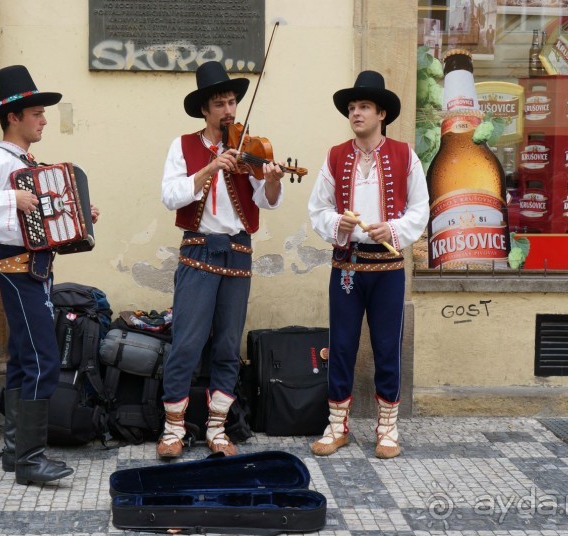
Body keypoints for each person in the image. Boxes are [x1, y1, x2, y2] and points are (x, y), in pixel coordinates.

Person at [0, 65, 99, 485]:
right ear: (13, 116)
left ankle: (17, 453)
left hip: (34, 269)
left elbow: (40, 218)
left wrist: (78, 217)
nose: (44, 120)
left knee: (21, 360)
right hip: (18, 269)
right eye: (36, 113)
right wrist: (9, 198)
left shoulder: (25, 162)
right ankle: (32, 459)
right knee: (42, 359)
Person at [158, 61, 285, 458]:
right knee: (187, 343)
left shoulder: (251, 147)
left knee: (228, 346)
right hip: (198, 249)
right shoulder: (183, 146)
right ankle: (172, 430)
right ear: (205, 110)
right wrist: (211, 167)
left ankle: (217, 428)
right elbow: (171, 196)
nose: (229, 110)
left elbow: (267, 202)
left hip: (238, 252)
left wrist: (273, 180)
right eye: (220, 103)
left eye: (232, 102)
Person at [307, 71, 429, 459]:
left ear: (381, 114)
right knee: (340, 346)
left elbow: (420, 209)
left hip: (388, 268)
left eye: (363, 107)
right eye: (352, 108)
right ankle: (337, 425)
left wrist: (391, 229)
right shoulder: (335, 156)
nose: (355, 113)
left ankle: (387, 428)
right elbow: (318, 208)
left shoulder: (405, 155)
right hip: (347, 265)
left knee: (386, 346)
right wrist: (337, 225)